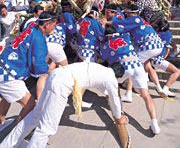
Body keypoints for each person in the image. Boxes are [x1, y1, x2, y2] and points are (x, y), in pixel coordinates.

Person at [0, 62, 128, 148]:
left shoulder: (101, 68)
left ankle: (7, 145)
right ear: (118, 77)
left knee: (35, 115)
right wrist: (119, 117)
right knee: (47, 128)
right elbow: (114, 99)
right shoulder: (111, 78)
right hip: (62, 83)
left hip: (56, 74)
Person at [100, 25, 161, 135]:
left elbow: (108, 62)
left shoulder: (106, 45)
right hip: (137, 65)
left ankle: (119, 111)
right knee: (146, 95)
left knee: (115, 86)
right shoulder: (126, 37)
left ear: (108, 37)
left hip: (124, 67)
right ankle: (155, 124)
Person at [0, 12, 57, 126]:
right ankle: (16, 137)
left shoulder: (30, 29)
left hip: (3, 65)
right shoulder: (39, 39)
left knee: (8, 97)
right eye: (53, 25)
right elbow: (38, 67)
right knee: (30, 104)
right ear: (46, 25)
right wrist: (50, 68)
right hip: (8, 74)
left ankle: (1, 122)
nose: (54, 28)